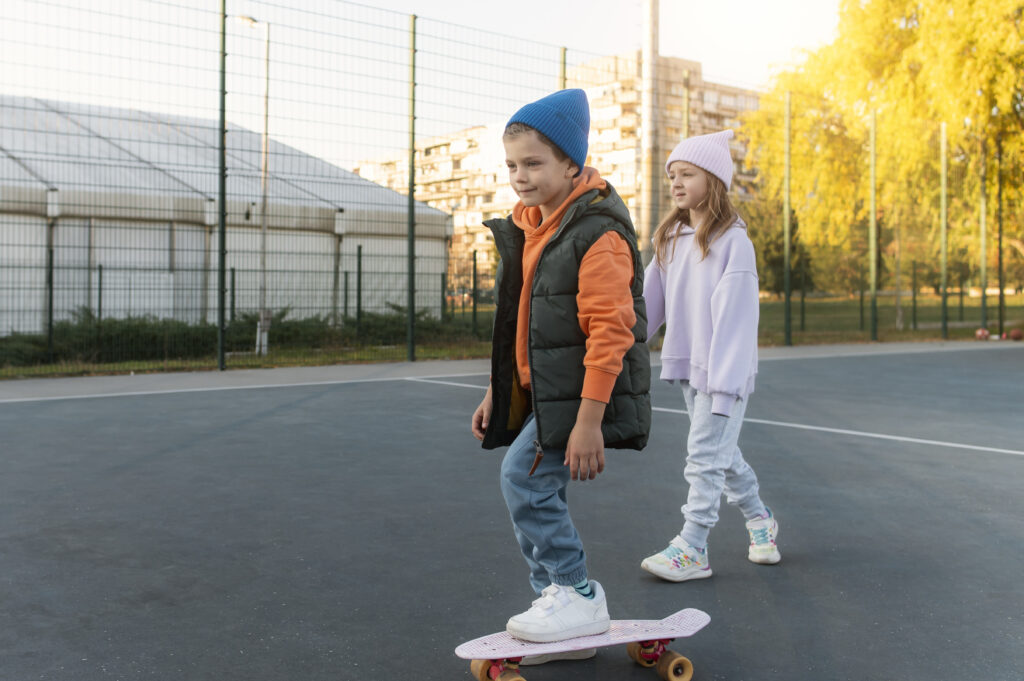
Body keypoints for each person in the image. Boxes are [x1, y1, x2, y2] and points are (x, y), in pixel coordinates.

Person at [470, 89, 651, 649]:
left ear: (571, 163)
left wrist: (589, 421)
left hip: (578, 397)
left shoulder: (597, 235)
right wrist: (497, 392)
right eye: (511, 165)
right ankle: (558, 607)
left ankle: (576, 592)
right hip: (544, 392)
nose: (519, 176)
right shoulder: (531, 229)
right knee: (533, 487)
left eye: (533, 163)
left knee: (523, 481)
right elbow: (523, 328)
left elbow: (611, 331)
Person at [639, 129, 781, 583]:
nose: (676, 183)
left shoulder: (734, 244)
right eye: (672, 176)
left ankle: (693, 545)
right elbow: (646, 305)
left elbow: (738, 322)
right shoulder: (671, 238)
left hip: (725, 375)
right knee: (722, 452)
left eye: (687, 174)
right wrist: (618, 342)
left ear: (713, 181)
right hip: (687, 369)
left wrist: (724, 386)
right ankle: (761, 521)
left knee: (704, 452)